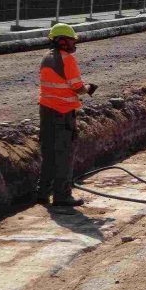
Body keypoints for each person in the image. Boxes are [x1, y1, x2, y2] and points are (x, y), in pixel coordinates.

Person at [37, 24, 97, 207]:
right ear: (61, 40)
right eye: (71, 40)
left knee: (48, 153)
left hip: (46, 111)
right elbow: (77, 87)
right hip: (62, 113)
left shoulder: (45, 58)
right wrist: (88, 89)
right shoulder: (67, 59)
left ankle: (42, 192)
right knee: (63, 154)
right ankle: (62, 195)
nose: (73, 43)